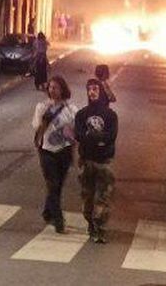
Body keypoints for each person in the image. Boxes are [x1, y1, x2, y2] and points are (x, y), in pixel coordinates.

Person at [33, 75, 77, 234]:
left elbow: (75, 130)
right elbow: (37, 128)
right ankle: (59, 221)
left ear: (63, 89)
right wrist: (45, 121)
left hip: (64, 152)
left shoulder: (71, 109)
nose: (52, 90)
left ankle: (47, 212)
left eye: (56, 87)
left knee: (57, 186)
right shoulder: (42, 107)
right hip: (47, 151)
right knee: (52, 184)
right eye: (50, 87)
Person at [75, 78, 118, 243]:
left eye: (95, 89)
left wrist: (94, 137)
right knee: (87, 197)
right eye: (89, 89)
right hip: (86, 161)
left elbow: (111, 137)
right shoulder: (82, 114)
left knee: (104, 197)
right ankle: (90, 224)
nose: (92, 92)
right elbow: (79, 135)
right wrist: (95, 139)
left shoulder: (110, 115)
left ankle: (100, 227)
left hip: (104, 161)